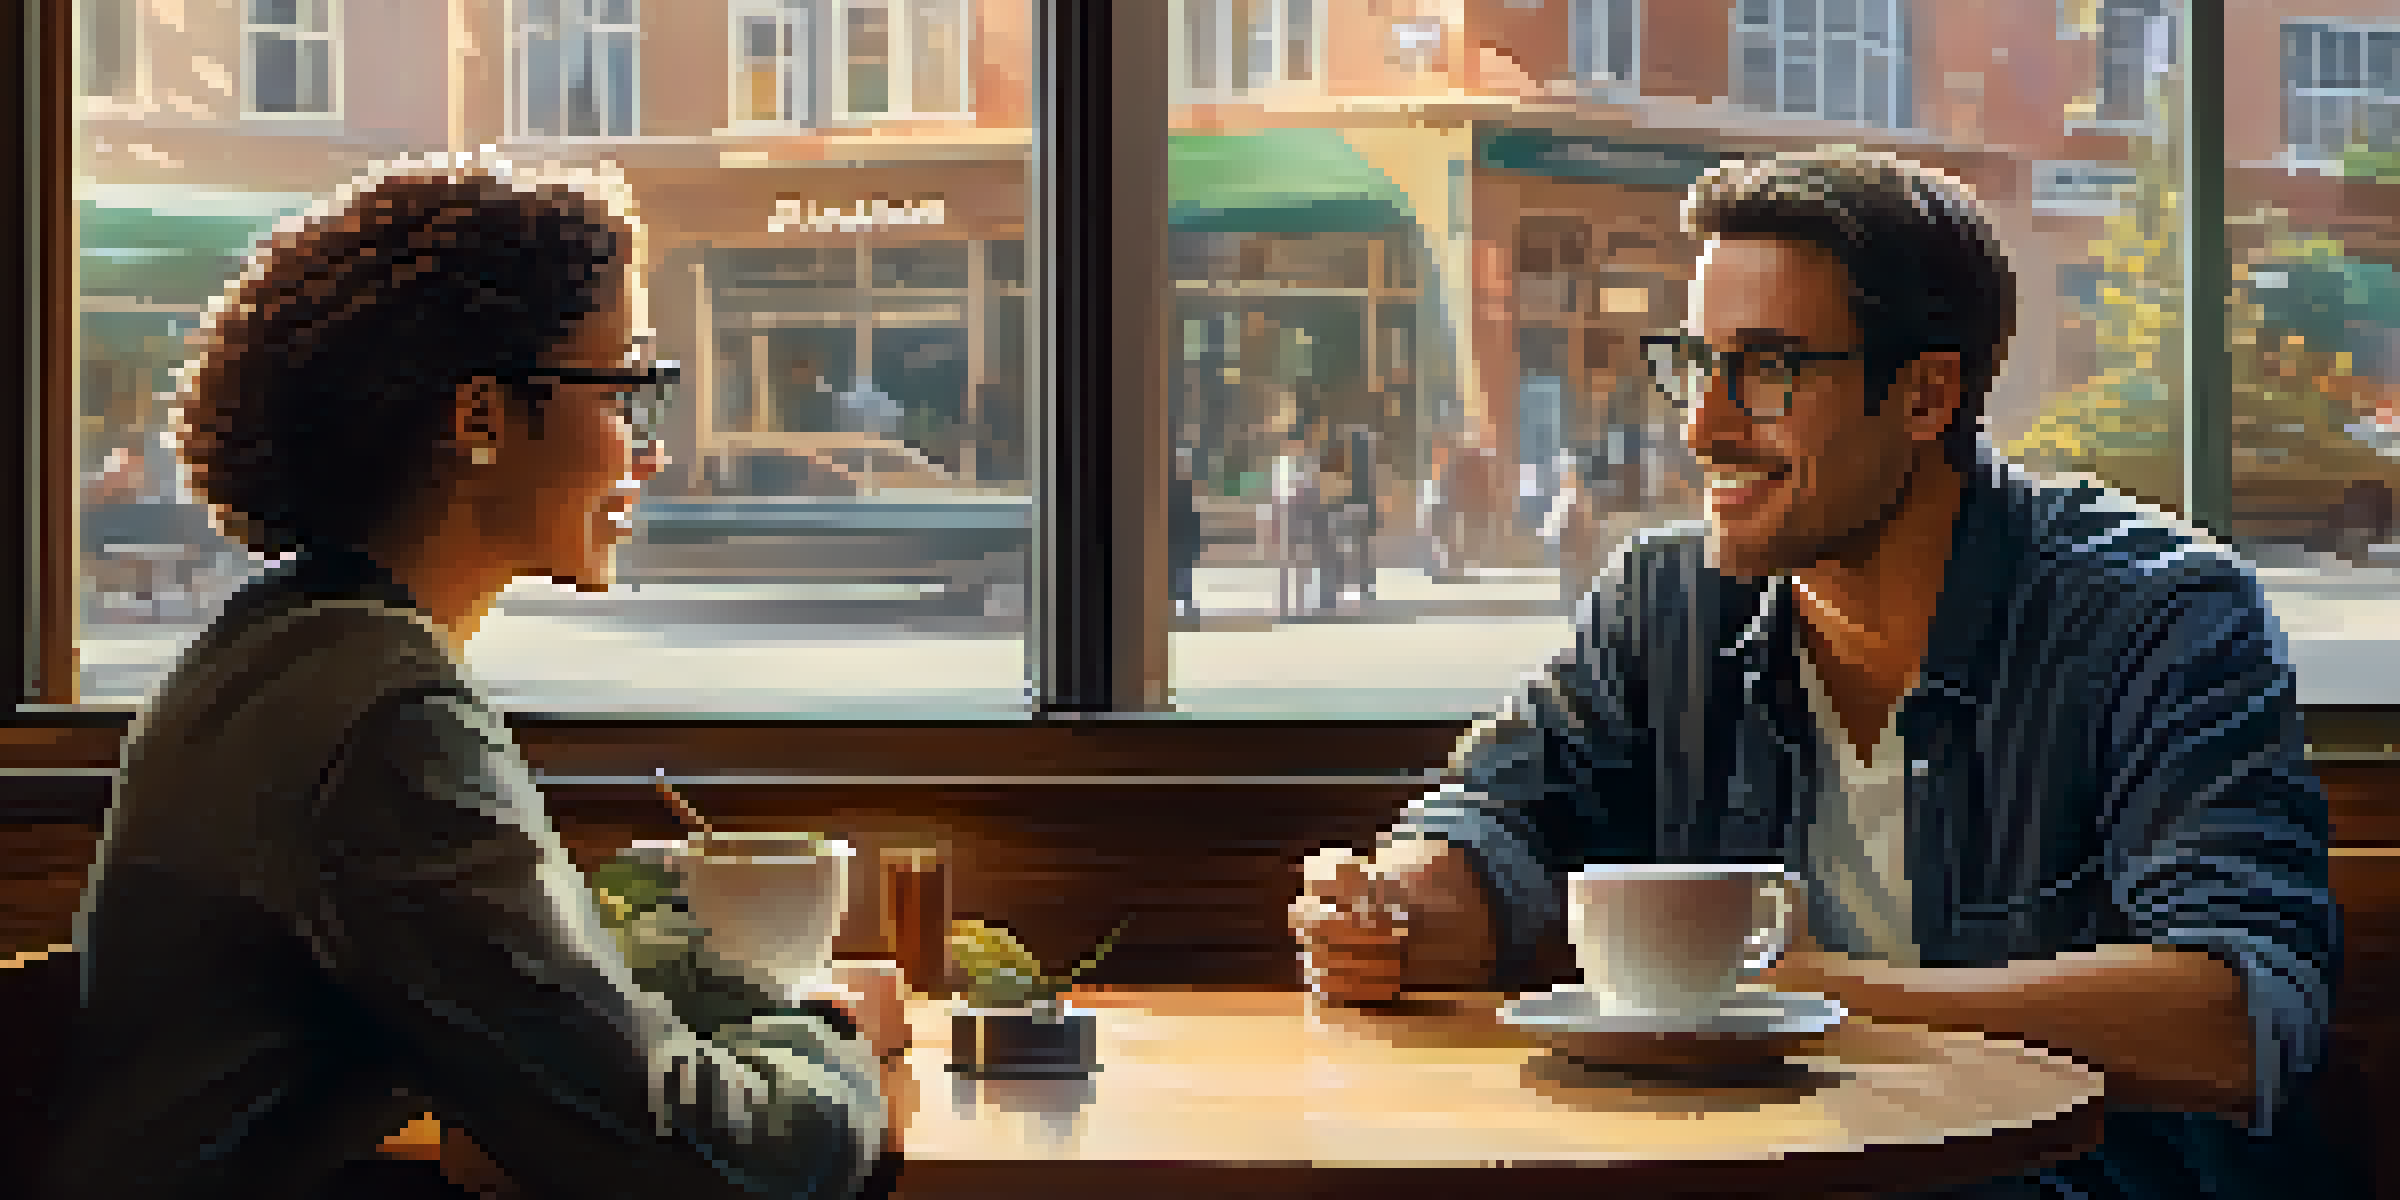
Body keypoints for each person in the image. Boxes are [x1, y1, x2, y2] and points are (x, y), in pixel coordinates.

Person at [1290, 149, 2345, 1199]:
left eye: (1767, 370)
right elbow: (1499, 822)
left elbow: (2237, 1023)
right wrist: (1392, 907)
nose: (1704, 425)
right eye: (1697, 364)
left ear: (1927, 394)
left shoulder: (2158, 615)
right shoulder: (1664, 606)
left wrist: (1814, 1000)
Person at [44, 156, 902, 1200]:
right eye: (628, 389)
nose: (648, 454)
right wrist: (834, 1037)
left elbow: (541, 1012)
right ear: (482, 419)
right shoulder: (386, 718)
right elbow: (690, 1169)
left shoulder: (280, 646)